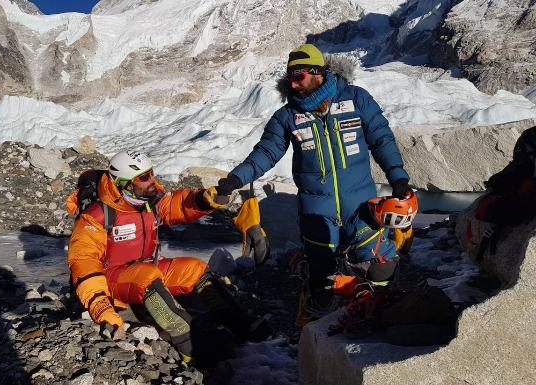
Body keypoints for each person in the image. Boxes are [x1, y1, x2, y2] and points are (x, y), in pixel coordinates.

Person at [217, 43, 413, 324]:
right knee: (322, 283)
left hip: (360, 208)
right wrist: (236, 178)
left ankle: (381, 310)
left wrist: (398, 178)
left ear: (318, 72)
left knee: (381, 269)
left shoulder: (356, 99)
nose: (293, 85)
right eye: (290, 78)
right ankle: (319, 323)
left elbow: (381, 138)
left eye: (299, 77)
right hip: (316, 212)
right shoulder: (287, 116)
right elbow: (266, 152)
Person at [67, 151, 269, 365]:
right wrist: (99, 305)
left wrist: (206, 199)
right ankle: (190, 345)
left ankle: (240, 324)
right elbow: (83, 261)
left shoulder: (148, 202)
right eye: (144, 178)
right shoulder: (97, 215)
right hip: (112, 280)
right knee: (146, 275)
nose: (152, 181)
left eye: (151, 174)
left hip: (147, 270)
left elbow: (179, 206)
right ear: (125, 184)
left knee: (195, 269)